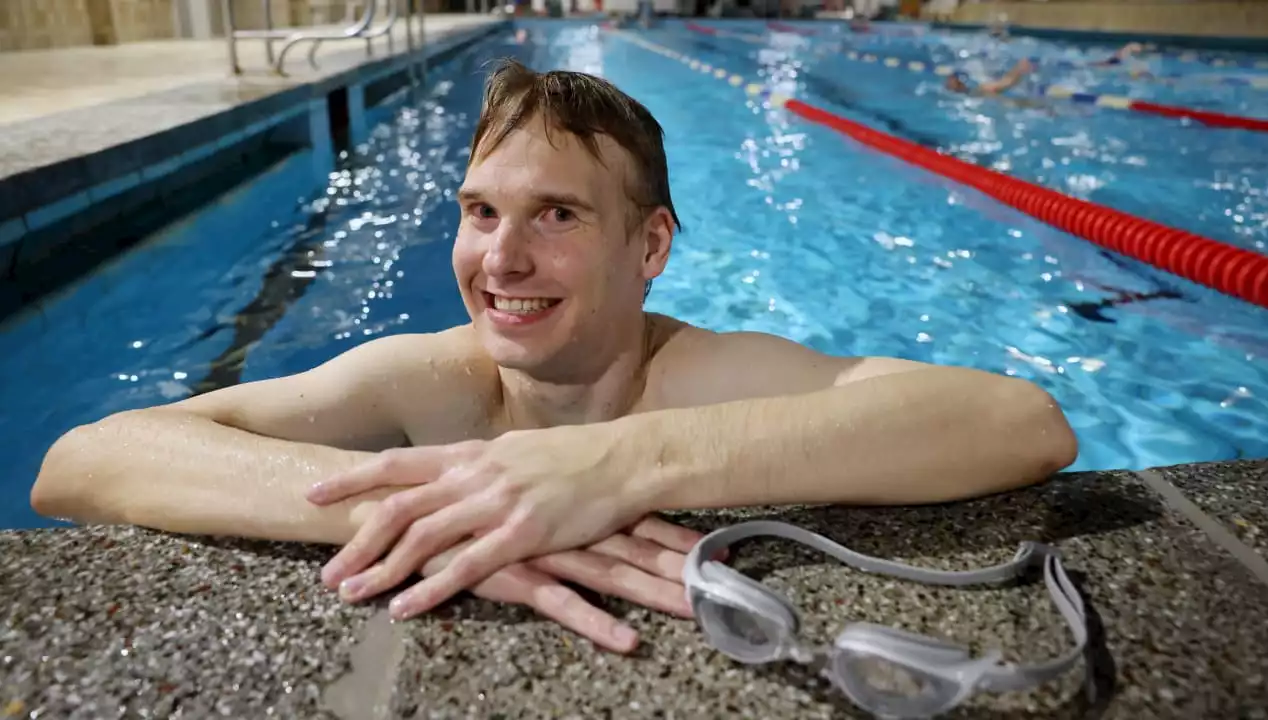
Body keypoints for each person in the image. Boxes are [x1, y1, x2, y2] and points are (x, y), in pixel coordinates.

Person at [31, 59, 1078, 654]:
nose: (500, 259)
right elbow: (82, 462)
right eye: (479, 211)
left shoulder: (696, 379)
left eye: (558, 215)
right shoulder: (434, 381)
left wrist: (626, 463)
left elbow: (1021, 423)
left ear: (651, 246)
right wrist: (423, 513)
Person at [945, 58, 1035, 96]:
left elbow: (1003, 84)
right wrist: (1018, 70)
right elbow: (1003, 84)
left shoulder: (976, 90)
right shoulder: (979, 91)